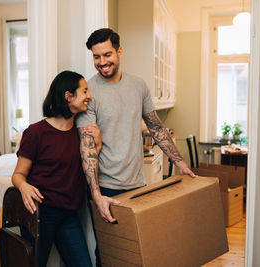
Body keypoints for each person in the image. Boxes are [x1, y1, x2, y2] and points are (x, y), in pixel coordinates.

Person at [76, 28, 195, 223]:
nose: (102, 62)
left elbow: (156, 127)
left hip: (138, 183)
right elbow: (87, 147)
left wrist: (180, 163)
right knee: (108, 250)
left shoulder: (139, 86)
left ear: (119, 52)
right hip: (105, 186)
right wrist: (95, 193)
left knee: (135, 248)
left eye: (107, 55)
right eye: (96, 57)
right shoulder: (89, 92)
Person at [12, 70, 101, 267]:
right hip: (40, 215)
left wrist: (98, 144)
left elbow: (86, 166)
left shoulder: (80, 133)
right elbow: (18, 175)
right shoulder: (36, 132)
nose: (89, 96)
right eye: (84, 91)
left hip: (69, 215)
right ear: (68, 96)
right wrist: (24, 187)